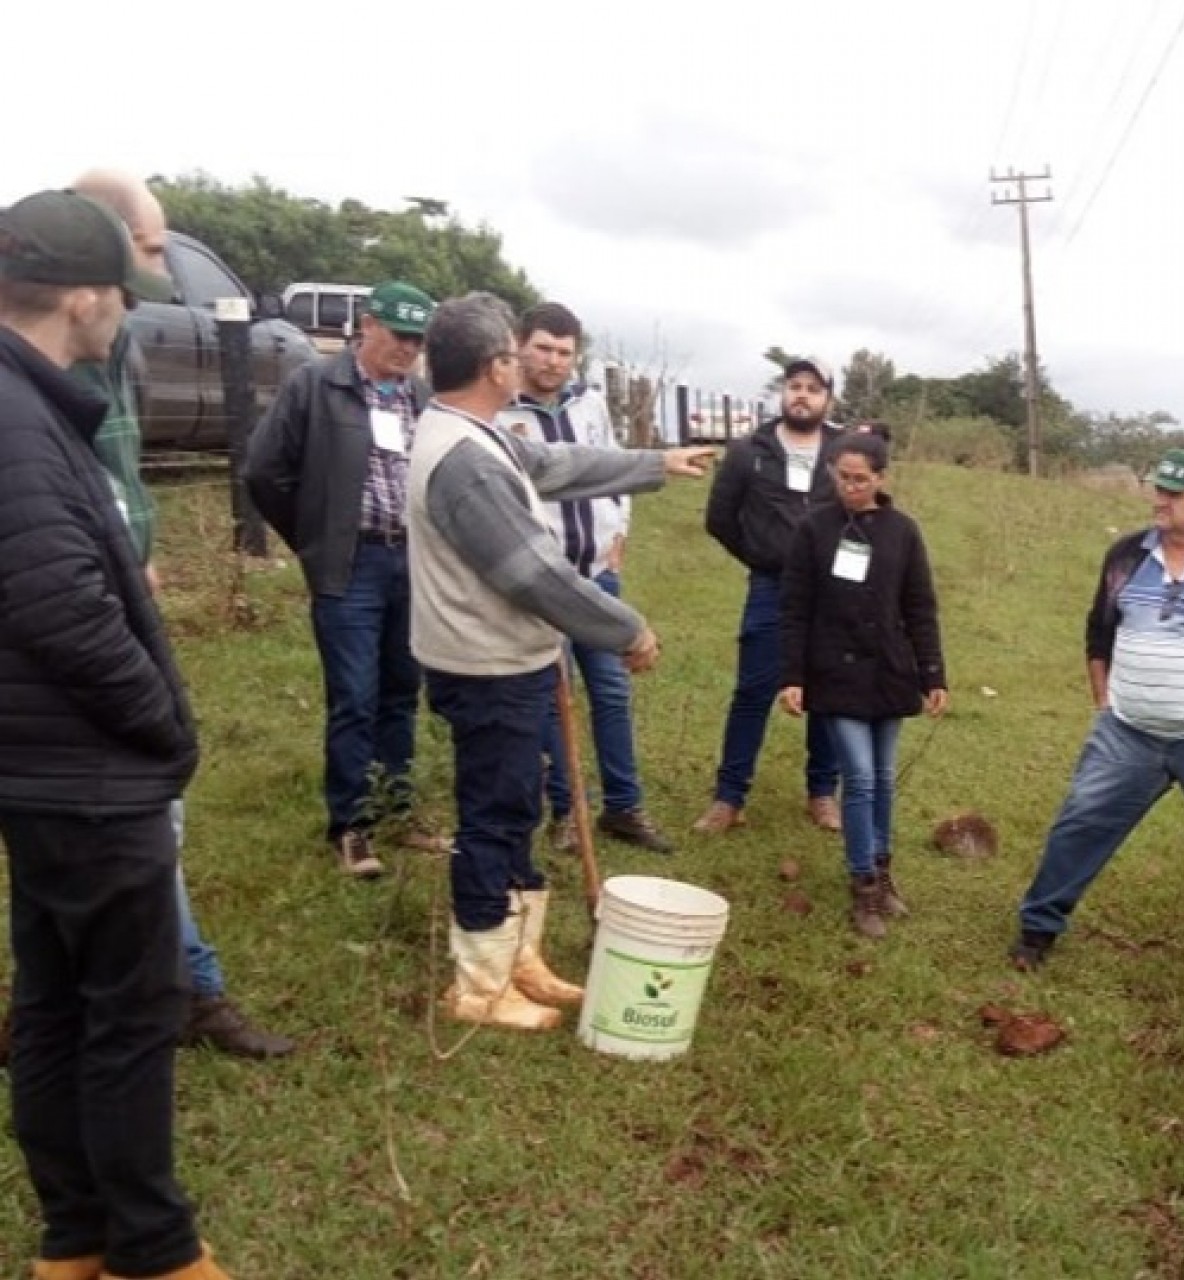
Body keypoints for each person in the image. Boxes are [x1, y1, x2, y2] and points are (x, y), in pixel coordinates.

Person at [1, 188, 229, 1280]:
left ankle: (74, 1237)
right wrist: (160, 723)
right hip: (88, 773)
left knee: (52, 1001)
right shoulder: (15, 413)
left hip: (44, 766)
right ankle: (154, 1246)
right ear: (84, 297)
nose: (125, 317)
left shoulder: (27, 399)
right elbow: (55, 606)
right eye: (122, 297)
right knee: (131, 1015)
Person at [405, 294, 713, 1032]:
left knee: (518, 807)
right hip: (487, 665)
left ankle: (520, 958)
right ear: (495, 366)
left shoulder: (478, 433)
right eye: (515, 353)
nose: (525, 364)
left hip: (509, 658)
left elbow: (555, 461)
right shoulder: (466, 460)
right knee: (494, 816)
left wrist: (653, 463)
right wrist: (626, 628)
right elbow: (533, 574)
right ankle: (479, 983)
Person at [69, 168, 293, 1062]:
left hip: (114, 590)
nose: (164, 279)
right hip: (66, 606)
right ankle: (146, 994)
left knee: (134, 804)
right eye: (155, 248)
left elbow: (116, 465)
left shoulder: (113, 342)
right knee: (118, 804)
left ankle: (172, 985)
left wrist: (143, 549)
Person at [1010, 448, 1184, 973]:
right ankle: (1037, 928)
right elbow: (1098, 631)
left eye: (1174, 494)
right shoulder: (1126, 556)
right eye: (1158, 490)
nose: (1159, 501)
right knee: (1081, 822)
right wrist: (1104, 700)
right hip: (1126, 733)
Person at [243, 280, 437, 879]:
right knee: (355, 695)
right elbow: (264, 470)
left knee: (402, 692)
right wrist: (313, 536)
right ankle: (352, 825)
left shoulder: (423, 399)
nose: (406, 348)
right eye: (398, 334)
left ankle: (398, 812)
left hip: (412, 562)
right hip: (349, 565)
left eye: (417, 339)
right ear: (367, 325)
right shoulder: (315, 385)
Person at [500, 301, 672, 855]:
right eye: (543, 348)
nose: (553, 362)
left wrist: (619, 528)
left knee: (613, 691)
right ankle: (570, 809)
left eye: (564, 352)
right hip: (545, 583)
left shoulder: (591, 404)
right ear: (520, 344)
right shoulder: (504, 412)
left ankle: (624, 806)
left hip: (598, 573)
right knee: (556, 698)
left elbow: (612, 467)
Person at [777, 431, 949, 937]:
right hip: (834, 672)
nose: (850, 487)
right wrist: (793, 675)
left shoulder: (903, 531)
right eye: (842, 477)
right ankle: (863, 884)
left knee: (884, 778)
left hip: (890, 673)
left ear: (881, 478)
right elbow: (794, 608)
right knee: (860, 776)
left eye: (861, 479)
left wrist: (933, 672)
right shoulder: (814, 529)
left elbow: (920, 606)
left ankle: (882, 866)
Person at [694, 356, 844, 835]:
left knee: (828, 692)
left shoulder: (846, 450)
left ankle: (822, 793)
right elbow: (719, 519)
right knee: (753, 690)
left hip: (832, 593)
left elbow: (868, 514)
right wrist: (760, 556)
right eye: (795, 385)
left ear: (828, 399)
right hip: (771, 589)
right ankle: (728, 798)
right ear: (783, 392)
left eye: (813, 388)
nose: (802, 394)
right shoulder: (748, 451)